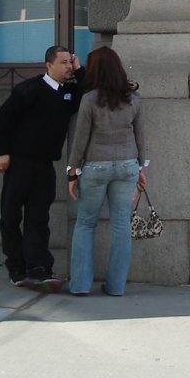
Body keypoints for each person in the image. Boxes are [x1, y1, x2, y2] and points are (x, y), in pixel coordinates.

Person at [0, 45, 85, 290]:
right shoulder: (29, 90)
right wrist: (1, 152)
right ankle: (16, 266)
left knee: (38, 217)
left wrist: (79, 69)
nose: (67, 67)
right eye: (63, 62)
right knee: (11, 216)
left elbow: (87, 92)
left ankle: (39, 267)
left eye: (70, 62)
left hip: (45, 166)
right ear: (48, 66)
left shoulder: (69, 93)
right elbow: (2, 121)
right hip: (19, 162)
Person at [67, 46, 146, 297]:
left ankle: (80, 284)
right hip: (127, 165)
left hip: (96, 165)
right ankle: (116, 286)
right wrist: (141, 168)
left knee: (85, 223)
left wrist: (72, 172)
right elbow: (141, 137)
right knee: (121, 224)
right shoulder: (134, 99)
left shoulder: (89, 100)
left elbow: (80, 139)